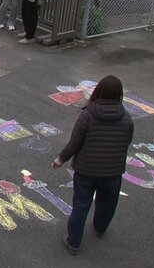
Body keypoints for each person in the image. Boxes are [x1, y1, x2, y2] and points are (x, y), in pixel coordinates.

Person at [52, 75, 134, 255]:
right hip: (112, 172)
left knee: (81, 205)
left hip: (86, 170)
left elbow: (75, 142)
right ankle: (100, 227)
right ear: (120, 95)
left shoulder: (88, 115)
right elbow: (126, 142)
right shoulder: (126, 119)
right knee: (108, 203)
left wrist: (60, 159)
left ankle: (73, 243)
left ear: (98, 91)